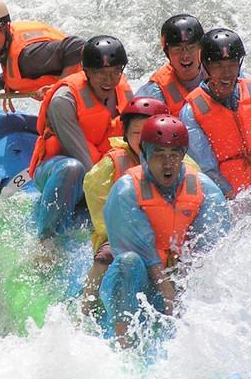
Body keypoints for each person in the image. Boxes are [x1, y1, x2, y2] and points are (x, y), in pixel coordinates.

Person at [99, 114, 231, 347]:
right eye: (159, 154)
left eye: (174, 155)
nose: (167, 163)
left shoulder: (205, 190)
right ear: (144, 155)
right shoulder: (125, 190)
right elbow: (144, 256)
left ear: (183, 156)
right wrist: (168, 294)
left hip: (179, 276)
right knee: (128, 262)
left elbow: (211, 251)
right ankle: (124, 344)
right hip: (139, 280)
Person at [81, 97, 201, 315]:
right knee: (104, 256)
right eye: (137, 133)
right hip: (120, 233)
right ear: (126, 134)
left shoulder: (185, 165)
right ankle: (87, 307)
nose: (145, 138)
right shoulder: (110, 166)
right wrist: (132, 232)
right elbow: (101, 215)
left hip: (169, 233)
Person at [27, 35, 133, 240]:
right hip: (59, 169)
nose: (109, 80)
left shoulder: (123, 90)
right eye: (101, 73)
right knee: (72, 169)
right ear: (87, 72)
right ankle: (47, 240)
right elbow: (84, 161)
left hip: (102, 168)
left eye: (115, 72)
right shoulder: (63, 100)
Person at [180, 27, 251, 200]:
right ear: (206, 66)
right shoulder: (191, 112)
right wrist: (230, 197)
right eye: (218, 65)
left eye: (232, 64)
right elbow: (205, 170)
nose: (226, 73)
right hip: (230, 199)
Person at [0, 0, 84, 111]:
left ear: (4, 29)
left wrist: (58, 90)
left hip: (92, 96)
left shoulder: (29, 56)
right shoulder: (10, 46)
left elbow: (76, 45)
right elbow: (13, 74)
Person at [136, 14, 206, 116]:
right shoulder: (154, 93)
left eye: (191, 47)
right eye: (177, 50)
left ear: (201, 48)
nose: (185, 56)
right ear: (167, 54)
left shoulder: (221, 73)